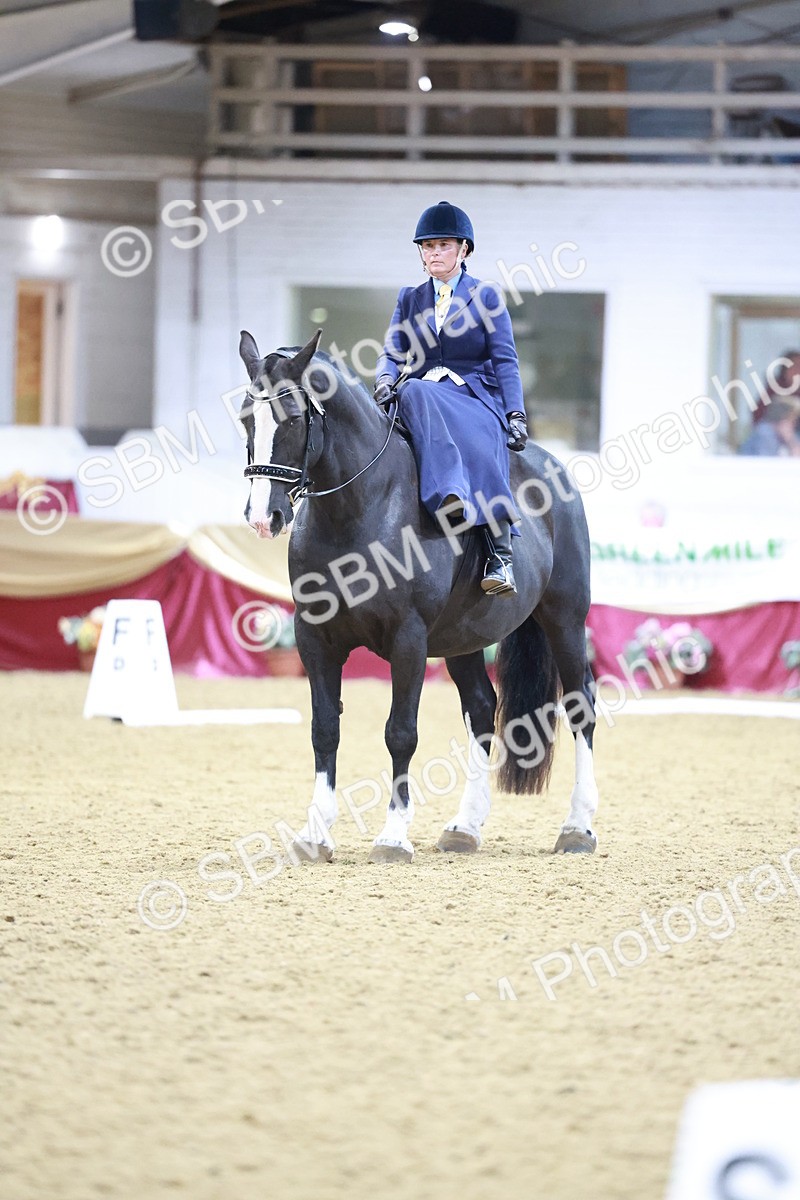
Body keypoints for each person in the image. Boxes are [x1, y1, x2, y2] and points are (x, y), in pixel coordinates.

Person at [374, 200, 528, 597]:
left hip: (473, 395)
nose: (434, 253)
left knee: (417, 390)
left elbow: (505, 360)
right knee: (407, 396)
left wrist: (515, 413)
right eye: (427, 246)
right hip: (421, 393)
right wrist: (383, 380)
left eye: (443, 245)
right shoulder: (410, 298)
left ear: (464, 250)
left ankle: (499, 553)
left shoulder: (486, 297)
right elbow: (392, 352)